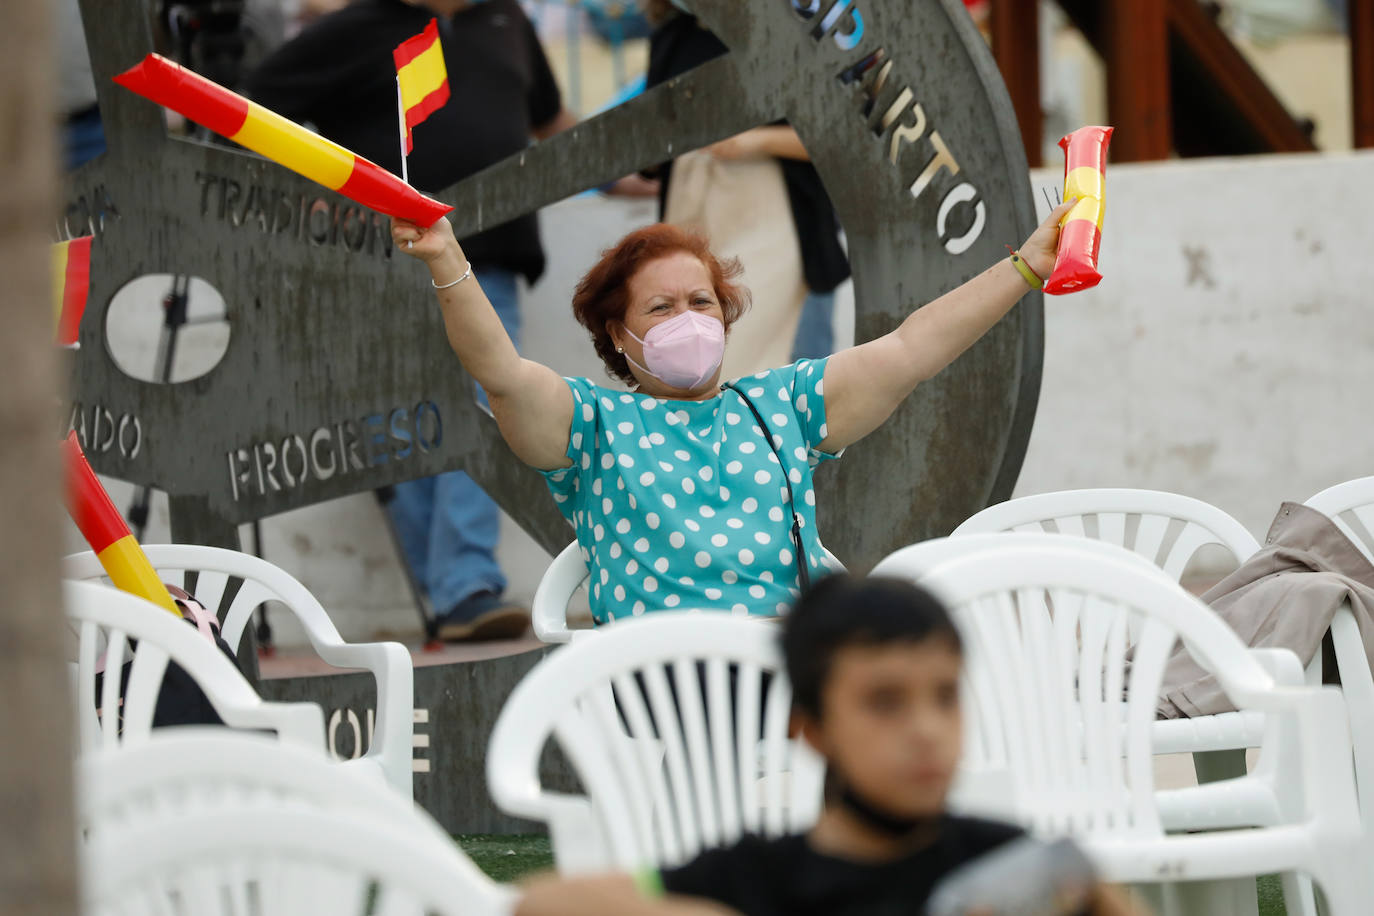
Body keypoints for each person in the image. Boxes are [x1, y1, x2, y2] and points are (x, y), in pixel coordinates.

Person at [392, 195, 1075, 625]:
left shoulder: (781, 404)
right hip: (664, 692)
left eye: (701, 302)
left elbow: (911, 348)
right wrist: (448, 260)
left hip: (795, 678)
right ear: (616, 336)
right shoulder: (592, 425)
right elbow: (501, 373)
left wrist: (1026, 266)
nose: (687, 319)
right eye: (660, 308)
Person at [245, 0, 578, 640]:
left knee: (490, 409)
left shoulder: (508, 20)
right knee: (399, 427)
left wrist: (641, 161)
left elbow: (550, 119)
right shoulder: (352, 28)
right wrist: (307, 199)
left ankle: (465, 587)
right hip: (378, 269)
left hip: (490, 262)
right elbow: (259, 108)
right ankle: (456, 593)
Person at [513, 576, 1141, 915]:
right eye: (885, 702)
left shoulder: (1002, 863)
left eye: (945, 696)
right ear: (811, 728)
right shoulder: (758, 874)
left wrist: (1098, 897)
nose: (926, 729)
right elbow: (542, 902)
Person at [643, 3, 850, 365]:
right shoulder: (673, 36)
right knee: (710, 369)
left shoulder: (789, 32)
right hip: (693, 227)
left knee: (792, 384)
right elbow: (650, 150)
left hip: (783, 233)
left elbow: (842, 134)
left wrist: (755, 141)